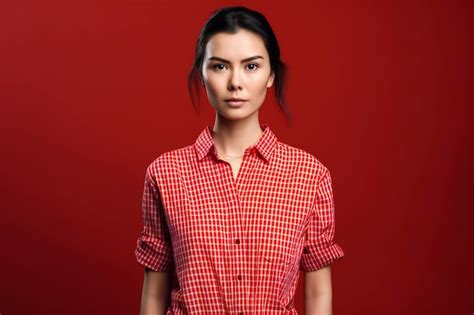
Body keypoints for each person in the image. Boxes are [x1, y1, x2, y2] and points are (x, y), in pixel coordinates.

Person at [135, 6, 344, 315]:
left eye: (251, 66)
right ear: (202, 75)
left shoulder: (309, 175)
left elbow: (318, 290)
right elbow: (154, 292)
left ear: (271, 75)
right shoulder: (166, 174)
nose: (235, 82)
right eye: (220, 67)